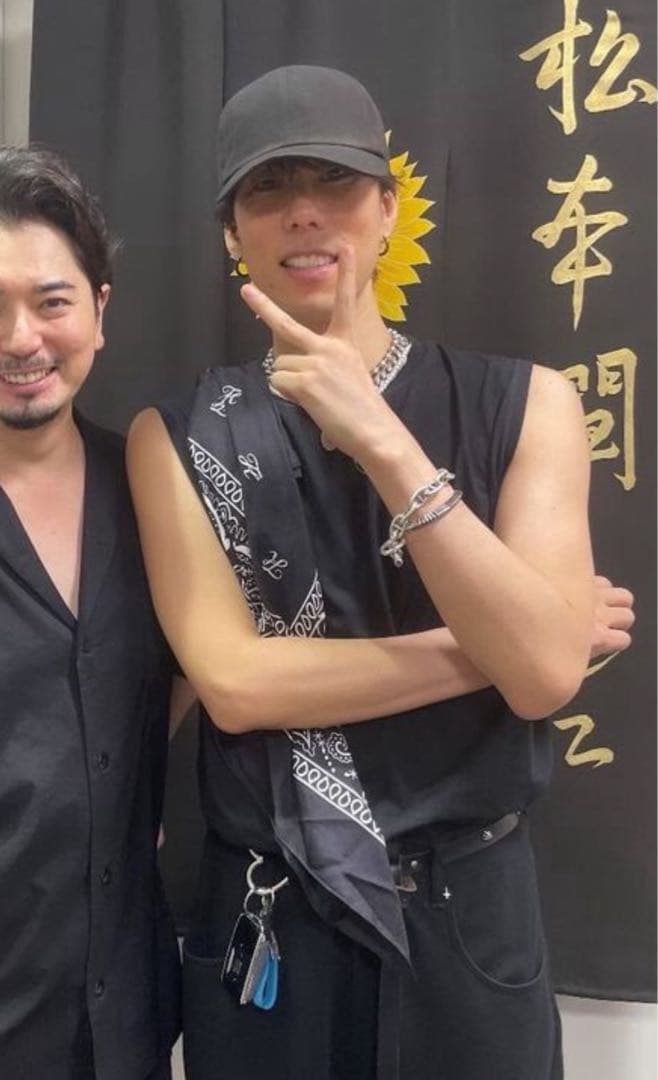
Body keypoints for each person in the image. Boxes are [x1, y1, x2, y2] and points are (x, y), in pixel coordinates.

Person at [126, 67, 635, 1080]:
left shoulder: (527, 404)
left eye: (335, 181)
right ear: (232, 231)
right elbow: (239, 685)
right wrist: (506, 640)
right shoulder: (176, 434)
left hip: (469, 916)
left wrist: (384, 442)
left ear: (390, 207)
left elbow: (542, 680)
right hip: (275, 917)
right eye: (268, 189)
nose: (304, 213)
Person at [0, 146, 184, 1079]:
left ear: (100, 312)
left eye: (51, 302)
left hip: (126, 1009)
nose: (20, 339)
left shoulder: (152, 490)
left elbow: (201, 665)